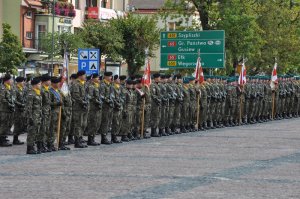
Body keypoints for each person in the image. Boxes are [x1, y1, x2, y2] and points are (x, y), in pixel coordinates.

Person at [70, 70, 88, 148]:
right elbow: (76, 96)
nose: (85, 77)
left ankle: (80, 139)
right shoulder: (76, 84)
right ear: (80, 76)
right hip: (77, 107)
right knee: (78, 125)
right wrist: (82, 102)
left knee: (82, 124)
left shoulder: (82, 84)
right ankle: (77, 142)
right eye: (84, 75)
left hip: (82, 107)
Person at [26, 77, 42, 154]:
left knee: (36, 131)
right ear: (35, 85)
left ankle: (33, 147)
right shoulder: (31, 94)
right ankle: (29, 148)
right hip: (33, 116)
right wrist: (30, 118)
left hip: (38, 115)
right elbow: (29, 107)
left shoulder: (38, 92)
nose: (40, 85)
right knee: (31, 132)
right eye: (39, 84)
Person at [86, 73, 102, 146]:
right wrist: (97, 101)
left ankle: (93, 138)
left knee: (96, 123)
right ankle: (90, 139)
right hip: (93, 108)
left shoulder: (96, 86)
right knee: (92, 123)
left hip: (97, 108)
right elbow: (90, 97)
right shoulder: (91, 86)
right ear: (93, 78)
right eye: (97, 78)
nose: (98, 79)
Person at [99, 72, 114, 144]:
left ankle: (105, 136)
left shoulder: (110, 84)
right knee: (104, 122)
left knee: (108, 122)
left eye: (111, 76)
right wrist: (108, 100)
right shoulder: (102, 85)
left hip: (109, 106)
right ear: (105, 77)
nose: (110, 77)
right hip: (104, 106)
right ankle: (103, 137)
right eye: (109, 76)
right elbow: (101, 96)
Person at [0, 74, 15, 147]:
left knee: (7, 125)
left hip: (8, 109)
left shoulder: (9, 87)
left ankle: (4, 137)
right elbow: (2, 99)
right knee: (3, 125)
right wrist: (10, 104)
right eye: (11, 79)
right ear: (7, 81)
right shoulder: (2, 88)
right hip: (4, 109)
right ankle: (1, 140)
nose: (12, 81)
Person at [13, 76, 26, 145]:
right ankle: (15, 139)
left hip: (21, 109)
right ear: (19, 82)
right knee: (17, 124)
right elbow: (14, 100)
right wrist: (21, 104)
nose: (24, 82)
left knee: (20, 124)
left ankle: (17, 138)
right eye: (23, 81)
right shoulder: (15, 89)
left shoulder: (22, 89)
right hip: (17, 109)